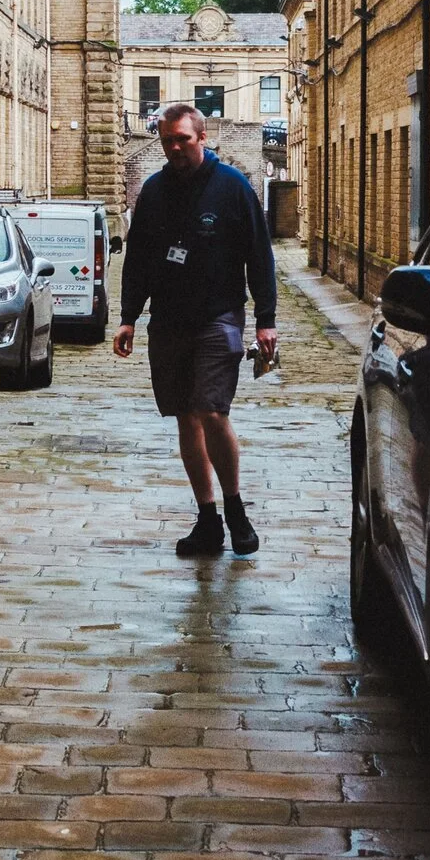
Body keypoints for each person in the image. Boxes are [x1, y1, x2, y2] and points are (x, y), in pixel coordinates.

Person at [114, 104, 279, 557]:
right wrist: (129, 315)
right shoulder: (153, 190)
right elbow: (139, 260)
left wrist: (266, 320)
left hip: (219, 317)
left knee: (211, 411)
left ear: (202, 137)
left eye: (182, 139)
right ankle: (207, 519)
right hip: (167, 321)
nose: (174, 147)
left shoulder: (233, 188)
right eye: (167, 140)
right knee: (185, 415)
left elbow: (260, 256)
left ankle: (235, 508)